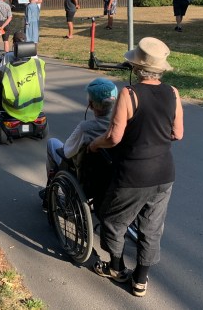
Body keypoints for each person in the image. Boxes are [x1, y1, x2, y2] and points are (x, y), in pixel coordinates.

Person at [88, 37, 184, 298]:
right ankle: (140, 280)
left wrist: (95, 145)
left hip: (133, 174)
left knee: (112, 219)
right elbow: (177, 134)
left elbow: (113, 138)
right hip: (164, 173)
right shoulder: (173, 92)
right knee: (152, 227)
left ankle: (116, 268)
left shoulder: (129, 94)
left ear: (136, 67)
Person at [41, 78, 118, 207]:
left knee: (52, 143)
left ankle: (52, 190)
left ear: (91, 104)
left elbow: (67, 151)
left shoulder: (85, 128)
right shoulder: (121, 127)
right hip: (110, 176)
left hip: (85, 176)